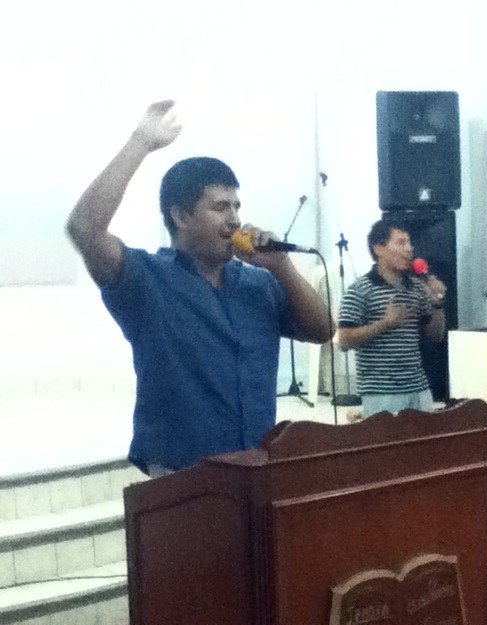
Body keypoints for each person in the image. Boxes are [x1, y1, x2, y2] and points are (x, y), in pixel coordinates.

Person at [66, 100, 330, 476]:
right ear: (181, 216)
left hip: (256, 467)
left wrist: (282, 266)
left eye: (236, 206)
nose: (234, 219)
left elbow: (323, 331)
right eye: (220, 207)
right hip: (181, 478)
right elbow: (84, 230)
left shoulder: (258, 283)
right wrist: (140, 143)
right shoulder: (147, 280)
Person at [336, 219, 446, 416]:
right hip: (380, 393)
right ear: (379, 248)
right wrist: (385, 323)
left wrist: (437, 302)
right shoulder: (359, 290)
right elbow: (343, 341)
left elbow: (435, 336)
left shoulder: (417, 288)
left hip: (419, 388)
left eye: (409, 243)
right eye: (401, 243)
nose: (409, 249)